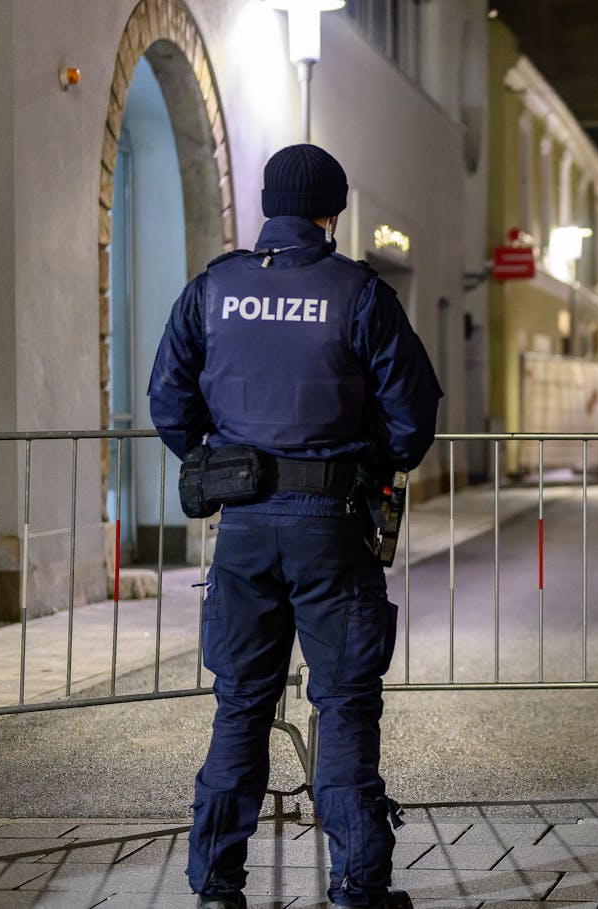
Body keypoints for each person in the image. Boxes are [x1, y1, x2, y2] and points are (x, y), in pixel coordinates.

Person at [149, 143, 442, 909]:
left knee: (241, 701)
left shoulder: (214, 289)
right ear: (333, 212)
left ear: (269, 205)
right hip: (332, 526)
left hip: (244, 525)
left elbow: (169, 398)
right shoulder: (359, 293)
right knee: (343, 702)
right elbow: (413, 412)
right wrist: (371, 456)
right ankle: (357, 887)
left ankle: (216, 884)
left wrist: (223, 459)